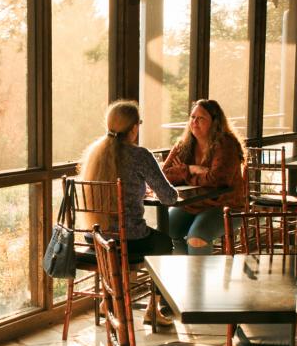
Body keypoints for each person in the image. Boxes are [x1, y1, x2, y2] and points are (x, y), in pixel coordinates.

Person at [79, 100, 178, 325]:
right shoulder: (140, 155)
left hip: (96, 237)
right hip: (127, 239)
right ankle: (154, 308)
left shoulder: (95, 153)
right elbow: (168, 197)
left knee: (126, 243)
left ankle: (109, 300)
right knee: (164, 243)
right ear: (134, 128)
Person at [162, 99, 245, 254]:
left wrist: (184, 172)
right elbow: (164, 175)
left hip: (226, 206)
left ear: (215, 122)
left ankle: (199, 278)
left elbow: (217, 180)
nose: (195, 122)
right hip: (193, 204)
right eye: (193, 117)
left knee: (197, 237)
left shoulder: (226, 144)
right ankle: (184, 274)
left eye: (201, 118)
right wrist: (192, 169)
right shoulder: (183, 144)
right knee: (165, 232)